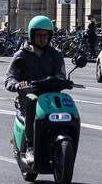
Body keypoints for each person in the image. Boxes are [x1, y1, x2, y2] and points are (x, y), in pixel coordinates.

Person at [4, 16, 68, 164]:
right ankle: (31, 146)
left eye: (45, 35)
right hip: (28, 95)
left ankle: (65, 134)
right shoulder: (21, 55)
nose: (42, 38)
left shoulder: (55, 54)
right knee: (32, 100)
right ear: (32, 35)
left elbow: (61, 74)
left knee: (67, 103)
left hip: (50, 97)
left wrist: (62, 81)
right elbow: (9, 78)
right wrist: (18, 85)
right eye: (39, 35)